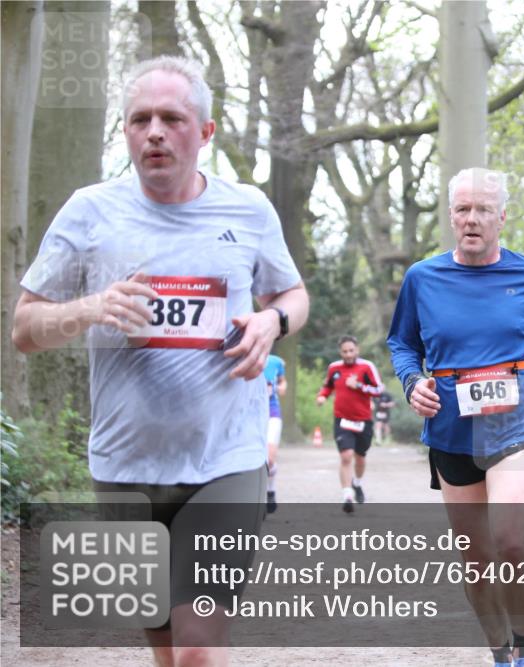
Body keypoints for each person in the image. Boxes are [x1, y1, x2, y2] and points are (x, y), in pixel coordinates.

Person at [11, 55, 309, 667]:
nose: (153, 131)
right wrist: (92, 307)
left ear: (204, 132)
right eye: (139, 119)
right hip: (123, 461)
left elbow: (293, 294)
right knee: (164, 643)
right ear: (125, 131)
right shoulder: (88, 211)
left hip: (227, 456)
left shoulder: (248, 210)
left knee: (199, 643)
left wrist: (270, 321)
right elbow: (24, 329)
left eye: (171, 118)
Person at [387, 167, 524, 667]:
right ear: (451, 216)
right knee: (475, 561)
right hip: (451, 426)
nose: (472, 219)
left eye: (483, 210)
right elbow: (402, 343)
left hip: (515, 419)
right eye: (462, 209)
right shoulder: (422, 278)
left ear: (502, 217)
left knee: (511, 541)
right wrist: (413, 384)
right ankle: (500, 653)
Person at [315, 336, 385, 513]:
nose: (348, 354)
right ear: (341, 352)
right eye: (345, 351)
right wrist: (322, 396)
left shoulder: (367, 367)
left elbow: (378, 390)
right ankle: (347, 495)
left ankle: (357, 483)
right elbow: (328, 386)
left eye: (351, 351)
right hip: (342, 419)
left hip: (363, 420)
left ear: (357, 350)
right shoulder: (334, 368)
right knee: (346, 456)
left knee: (360, 458)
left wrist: (359, 385)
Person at [263, 353, 287, 513]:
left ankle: (270, 490)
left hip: (271, 411)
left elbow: (283, 383)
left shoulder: (276, 361)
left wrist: (278, 388)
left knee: (270, 459)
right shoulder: (241, 355)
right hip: (248, 414)